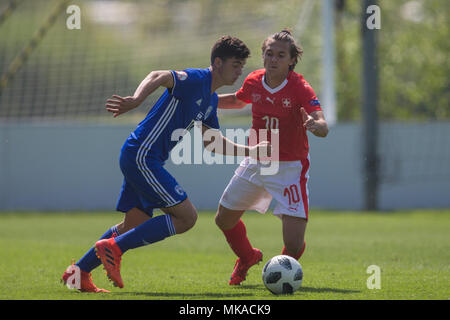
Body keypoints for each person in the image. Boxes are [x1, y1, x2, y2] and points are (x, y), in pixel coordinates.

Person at [61, 36, 270, 292]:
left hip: (141, 157)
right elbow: (158, 75)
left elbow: (213, 144)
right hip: (142, 156)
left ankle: (78, 273)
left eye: (241, 66)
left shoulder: (210, 100)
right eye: (236, 65)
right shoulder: (196, 79)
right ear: (218, 62)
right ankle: (114, 249)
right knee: (187, 217)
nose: (240, 71)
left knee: (132, 225)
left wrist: (252, 151)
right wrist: (136, 100)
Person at [215, 29, 329, 285]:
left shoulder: (300, 87)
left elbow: (322, 124)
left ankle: (278, 275)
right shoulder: (255, 80)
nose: (274, 59)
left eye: (281, 55)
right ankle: (247, 257)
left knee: (294, 243)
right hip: (256, 162)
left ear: (291, 60)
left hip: (289, 168)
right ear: (263, 56)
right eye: (269, 53)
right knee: (223, 218)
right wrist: (207, 100)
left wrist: (316, 125)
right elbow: (237, 100)